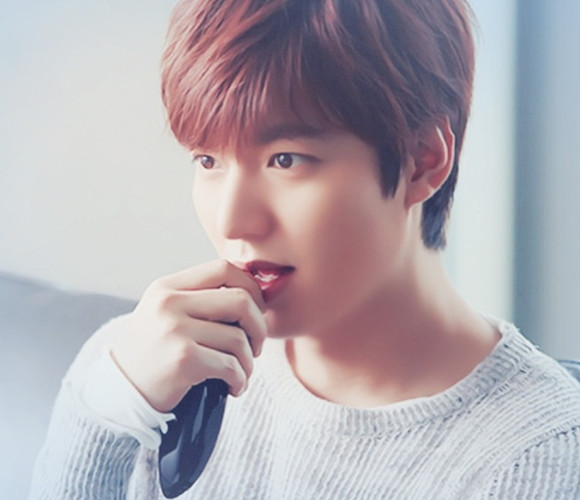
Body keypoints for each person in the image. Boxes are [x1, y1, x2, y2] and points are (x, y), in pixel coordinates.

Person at [29, 0, 580, 498]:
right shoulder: (135, 367)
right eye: (207, 160)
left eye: (285, 160)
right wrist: (112, 411)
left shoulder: (536, 455)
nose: (232, 220)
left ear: (422, 161)